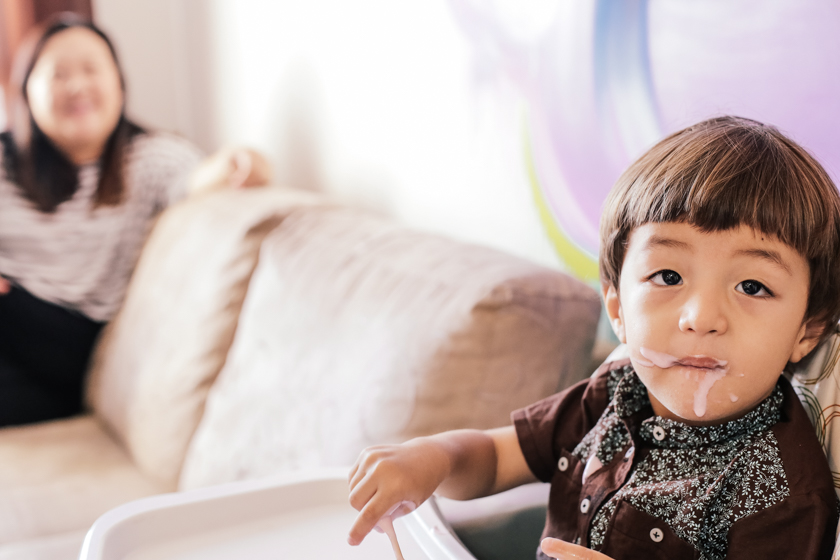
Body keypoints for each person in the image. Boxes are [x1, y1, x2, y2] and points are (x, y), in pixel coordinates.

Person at [347, 116, 840, 560]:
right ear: (619, 310)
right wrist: (431, 459)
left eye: (751, 286)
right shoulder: (614, 391)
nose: (700, 316)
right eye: (669, 276)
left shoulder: (782, 492)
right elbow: (497, 458)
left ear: (807, 332)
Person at [0, 14, 271, 427]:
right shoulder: (5, 160)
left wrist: (244, 164)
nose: (77, 85)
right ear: (25, 90)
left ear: (119, 85)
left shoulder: (147, 159)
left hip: (72, 342)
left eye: (92, 69)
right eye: (58, 74)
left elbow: (205, 177)